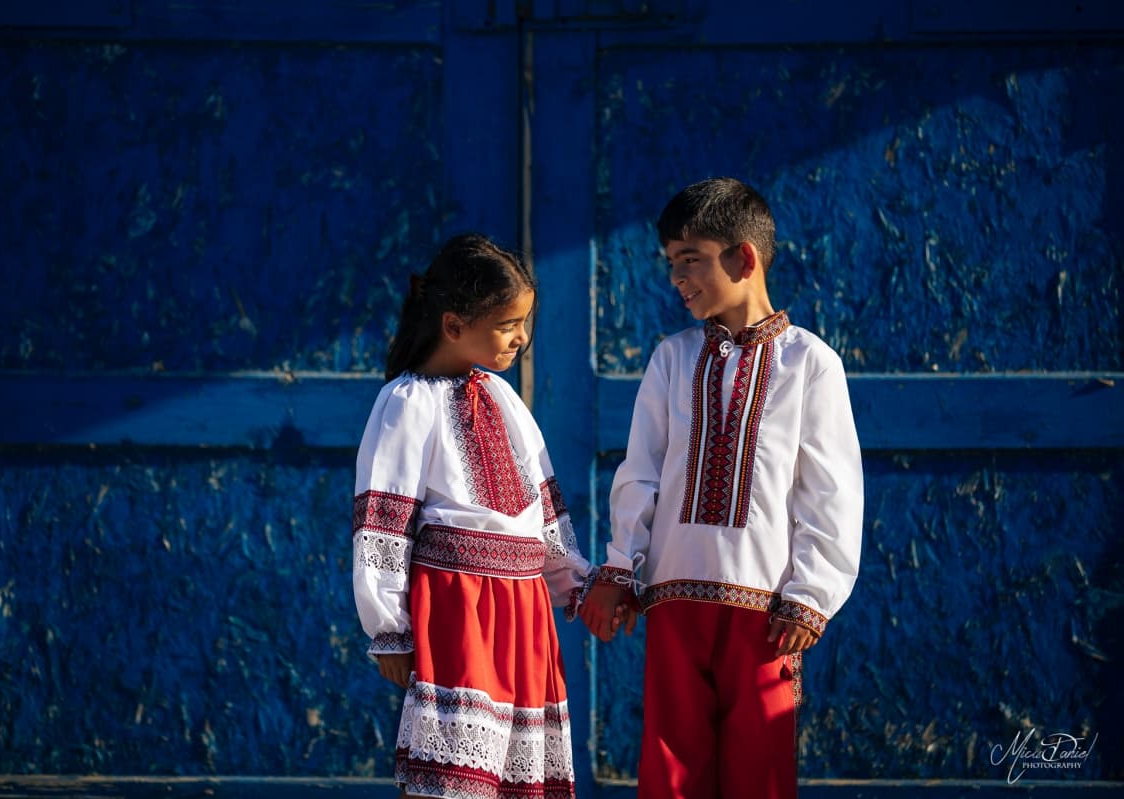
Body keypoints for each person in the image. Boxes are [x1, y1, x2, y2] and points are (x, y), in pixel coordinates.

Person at [579, 177, 864, 799]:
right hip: (674, 601)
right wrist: (619, 568)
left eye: (692, 261)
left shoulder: (811, 364)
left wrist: (811, 595)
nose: (678, 279)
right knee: (670, 766)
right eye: (672, 264)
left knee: (758, 769)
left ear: (744, 257)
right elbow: (640, 473)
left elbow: (831, 491)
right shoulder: (672, 358)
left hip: (767, 614)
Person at [352, 233, 615, 799]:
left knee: (518, 777)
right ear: (453, 325)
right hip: (459, 608)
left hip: (523, 612)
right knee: (459, 775)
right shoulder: (406, 402)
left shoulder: (503, 397)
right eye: (507, 324)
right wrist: (390, 631)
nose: (521, 337)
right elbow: (383, 524)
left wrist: (574, 582)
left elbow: (540, 509)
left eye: (525, 322)